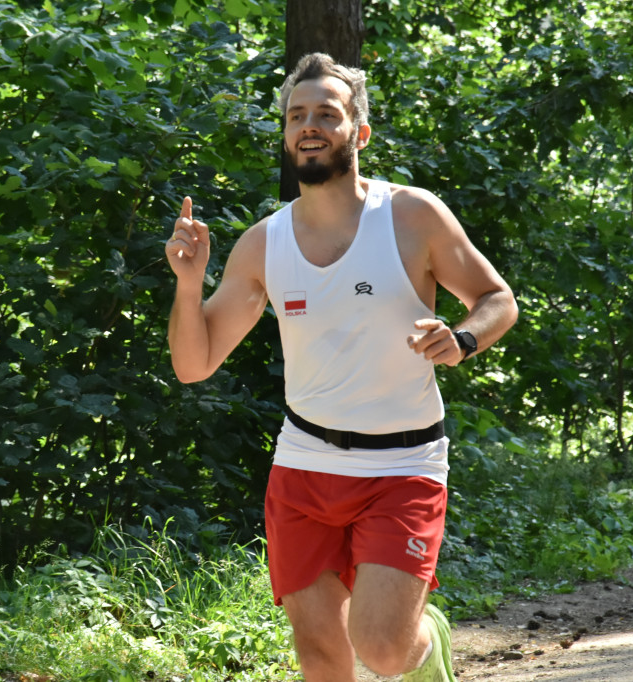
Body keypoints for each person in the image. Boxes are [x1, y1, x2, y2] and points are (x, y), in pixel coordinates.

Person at [165, 52, 518, 681]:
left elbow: (498, 300)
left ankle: (425, 638)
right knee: (322, 656)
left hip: (403, 465)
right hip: (305, 466)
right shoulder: (263, 243)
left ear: (358, 131)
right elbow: (195, 365)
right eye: (297, 114)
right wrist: (189, 286)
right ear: (284, 134)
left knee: (381, 648)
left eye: (327, 113)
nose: (309, 125)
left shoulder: (411, 216)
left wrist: (461, 340)